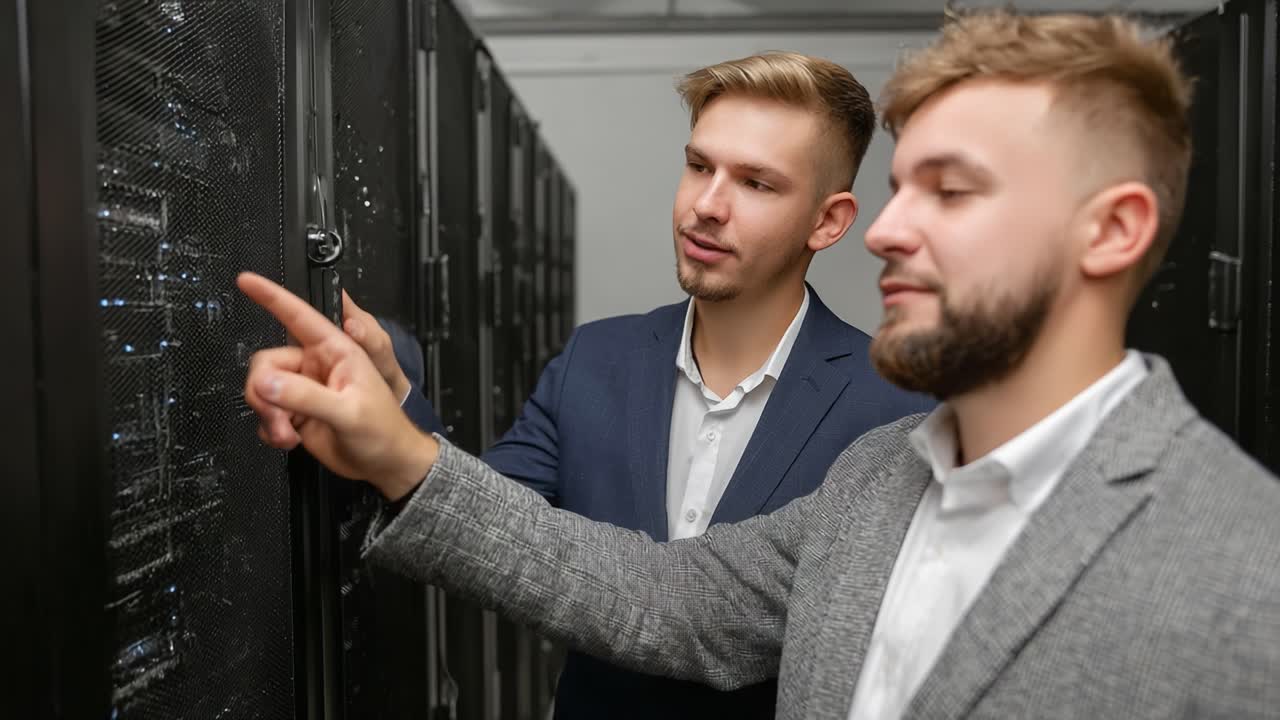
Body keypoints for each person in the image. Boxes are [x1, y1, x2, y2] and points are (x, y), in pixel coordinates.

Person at [241, 10, 1280, 719]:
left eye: (952, 191)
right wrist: (398, 444)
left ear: (1111, 231)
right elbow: (654, 599)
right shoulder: (882, 481)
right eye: (902, 188)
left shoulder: (1244, 569)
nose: (888, 232)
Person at [336, 51, 931, 718]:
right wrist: (394, 398)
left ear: (828, 221)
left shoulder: (895, 410)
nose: (706, 206)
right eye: (699, 166)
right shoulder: (596, 360)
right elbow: (487, 525)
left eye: (756, 184)